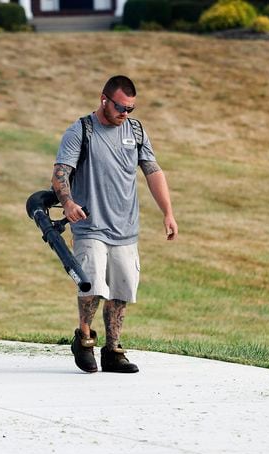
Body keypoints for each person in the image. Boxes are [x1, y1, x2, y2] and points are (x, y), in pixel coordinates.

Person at [51, 75, 178, 373]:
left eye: (130, 108)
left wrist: (168, 212)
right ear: (103, 99)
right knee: (92, 285)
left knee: (122, 289)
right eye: (120, 107)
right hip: (90, 226)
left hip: (125, 228)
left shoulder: (135, 131)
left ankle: (113, 350)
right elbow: (60, 173)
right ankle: (83, 339)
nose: (125, 113)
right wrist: (68, 203)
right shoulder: (81, 131)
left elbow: (153, 171)